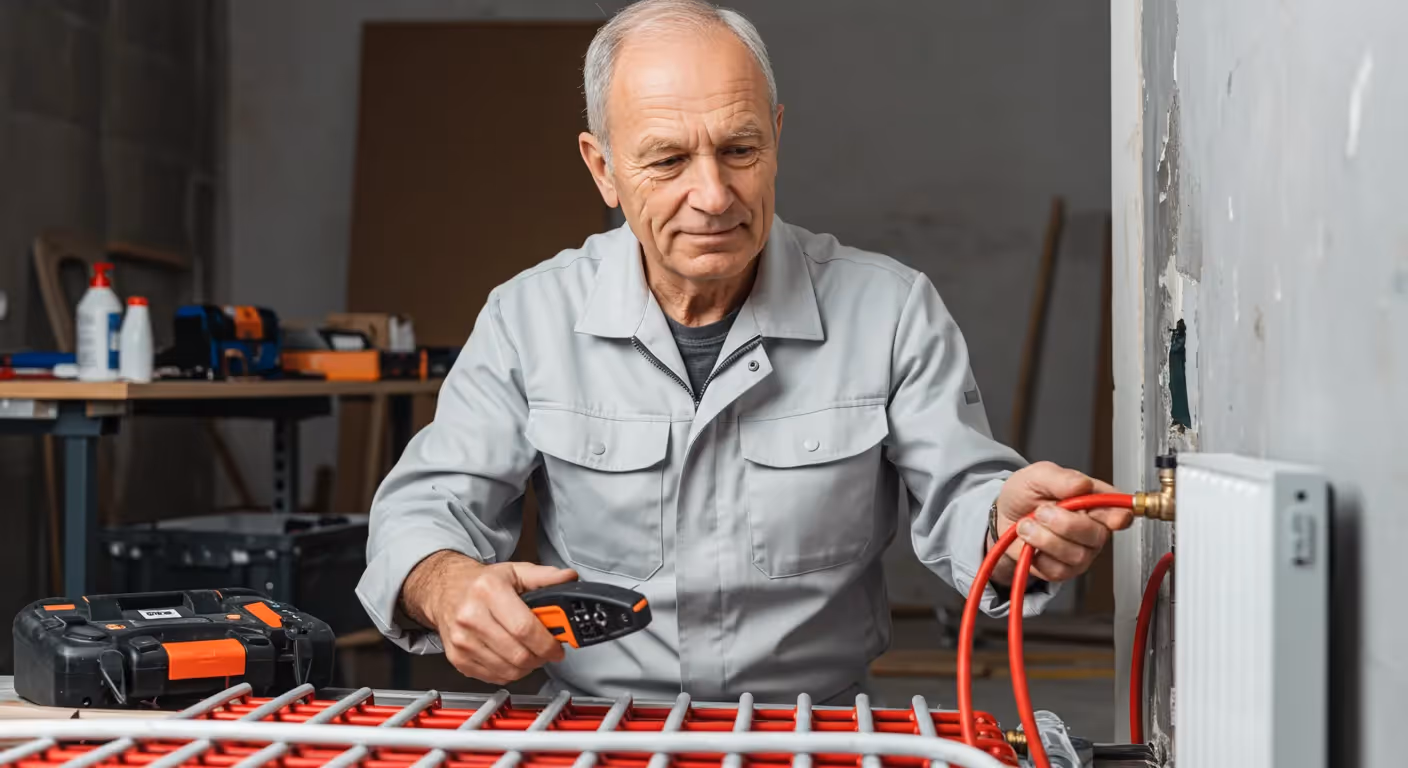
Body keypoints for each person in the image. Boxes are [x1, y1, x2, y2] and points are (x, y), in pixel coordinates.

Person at [356, 0, 1132, 703]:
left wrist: (1013, 531)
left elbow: (966, 499)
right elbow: (425, 510)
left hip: (815, 734)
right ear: (603, 169)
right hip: (599, 733)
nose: (714, 195)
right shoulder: (529, 318)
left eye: (739, 149)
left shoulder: (891, 311)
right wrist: (447, 584)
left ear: (777, 138)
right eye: (667, 160)